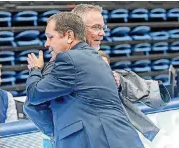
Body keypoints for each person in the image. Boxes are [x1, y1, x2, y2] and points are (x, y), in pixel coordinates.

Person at [24, 12, 144, 148]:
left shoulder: (69, 59)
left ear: (69, 36)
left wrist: (35, 70)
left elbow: (34, 96)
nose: (46, 44)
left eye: (50, 37)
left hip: (96, 141)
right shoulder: (95, 56)